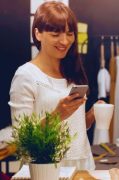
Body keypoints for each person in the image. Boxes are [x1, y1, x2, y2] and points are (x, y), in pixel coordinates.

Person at [8, 1, 101, 170]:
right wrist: (57, 115)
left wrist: (91, 115)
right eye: (55, 34)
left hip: (83, 164)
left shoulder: (72, 72)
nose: (64, 41)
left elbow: (76, 127)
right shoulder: (26, 75)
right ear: (38, 34)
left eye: (69, 33)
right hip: (46, 167)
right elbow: (22, 140)